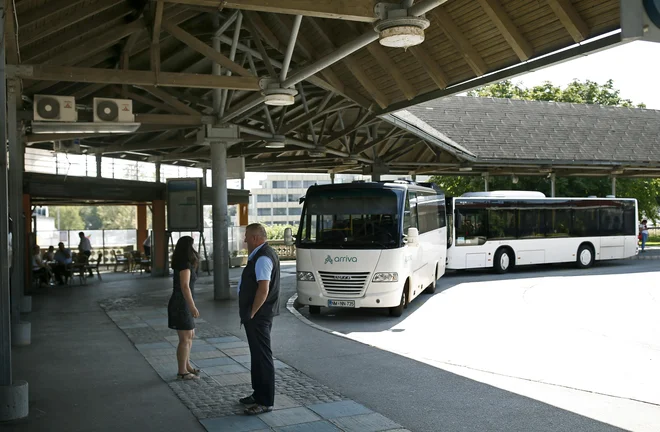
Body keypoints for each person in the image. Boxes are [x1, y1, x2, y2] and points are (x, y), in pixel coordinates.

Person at [238, 223, 281, 416]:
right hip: (257, 315)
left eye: (247, 236)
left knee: (262, 357)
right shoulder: (260, 255)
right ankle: (258, 394)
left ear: (255, 238)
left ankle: (265, 401)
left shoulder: (263, 257)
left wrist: (252, 313)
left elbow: (263, 290)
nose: (244, 240)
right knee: (257, 356)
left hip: (259, 316)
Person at [167, 236, 201, 381]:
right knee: (185, 338)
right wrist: (192, 306)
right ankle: (182, 372)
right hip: (181, 304)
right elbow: (185, 286)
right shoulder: (185, 266)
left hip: (182, 303)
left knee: (189, 335)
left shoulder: (182, 263)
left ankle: (186, 365)